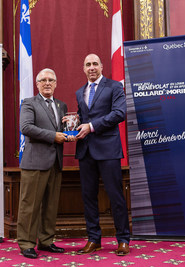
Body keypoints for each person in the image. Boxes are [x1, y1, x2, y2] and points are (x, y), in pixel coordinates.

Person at [75, 54, 130, 256]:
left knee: (116, 197)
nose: (91, 67)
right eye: (87, 64)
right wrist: (72, 121)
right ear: (83, 68)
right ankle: (94, 239)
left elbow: (119, 114)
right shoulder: (80, 91)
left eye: (94, 64)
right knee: (88, 197)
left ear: (101, 66)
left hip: (108, 151)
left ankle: (123, 239)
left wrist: (90, 126)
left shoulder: (114, 87)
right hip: (86, 151)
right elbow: (84, 117)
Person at [17, 68, 73, 259]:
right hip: (34, 163)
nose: (47, 83)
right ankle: (26, 243)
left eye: (51, 80)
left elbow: (63, 130)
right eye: (43, 80)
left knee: (50, 206)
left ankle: (46, 241)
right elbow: (26, 127)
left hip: (55, 163)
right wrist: (53, 136)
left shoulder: (61, 106)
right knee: (30, 206)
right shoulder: (29, 103)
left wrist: (70, 129)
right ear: (37, 84)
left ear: (56, 83)